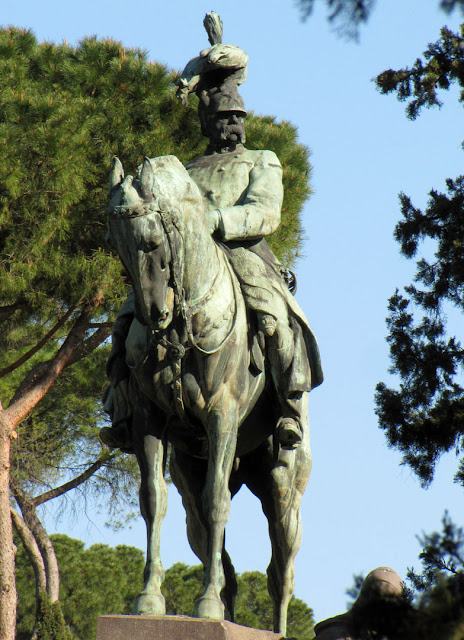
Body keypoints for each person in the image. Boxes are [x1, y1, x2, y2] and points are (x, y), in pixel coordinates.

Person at [100, 19, 323, 451]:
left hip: (244, 253)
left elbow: (265, 212)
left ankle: (289, 407)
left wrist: (218, 221)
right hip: (187, 262)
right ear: (206, 122)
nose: (230, 125)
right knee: (128, 318)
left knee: (278, 319)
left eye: (236, 117)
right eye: (222, 118)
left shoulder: (263, 159)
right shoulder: (186, 170)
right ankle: (122, 405)